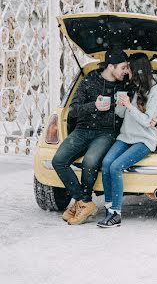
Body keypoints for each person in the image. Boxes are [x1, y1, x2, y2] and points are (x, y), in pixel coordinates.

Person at [52, 49, 129, 225]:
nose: (125, 71)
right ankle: (84, 201)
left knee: (90, 162)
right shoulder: (89, 80)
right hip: (82, 129)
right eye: (123, 67)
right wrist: (94, 106)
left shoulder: (125, 85)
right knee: (59, 160)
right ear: (111, 66)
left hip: (107, 132)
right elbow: (74, 109)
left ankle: (82, 202)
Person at [97, 53, 157, 228]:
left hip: (144, 140)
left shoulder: (155, 90)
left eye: (129, 69)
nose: (127, 72)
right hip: (126, 136)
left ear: (138, 70)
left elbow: (147, 122)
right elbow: (122, 115)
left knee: (117, 167)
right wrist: (120, 104)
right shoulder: (132, 86)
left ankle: (116, 214)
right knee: (106, 164)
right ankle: (109, 209)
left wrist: (129, 106)